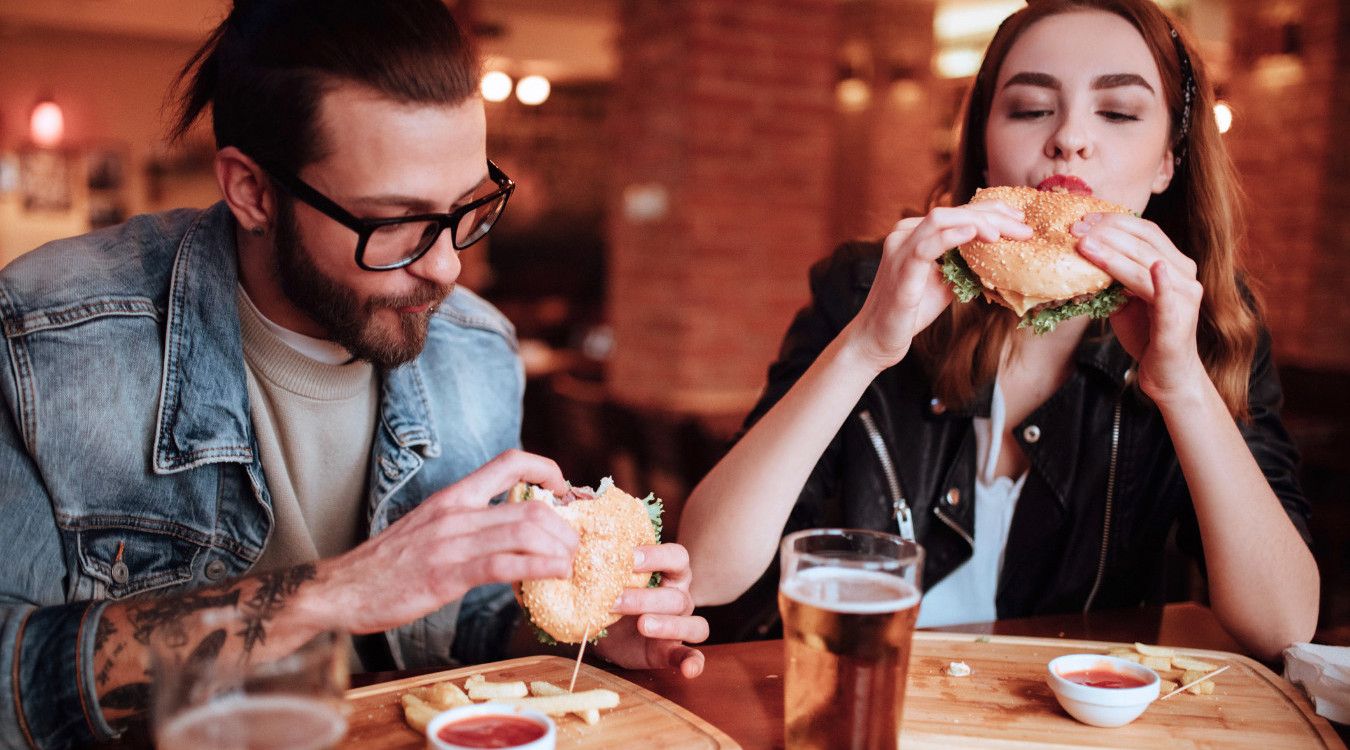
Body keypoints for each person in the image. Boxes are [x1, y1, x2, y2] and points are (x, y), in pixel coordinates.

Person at [0, 2, 706, 747]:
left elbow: (460, 622)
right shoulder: (47, 344)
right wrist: (338, 591)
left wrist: (576, 638)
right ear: (253, 192)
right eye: (393, 221)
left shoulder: (477, 351)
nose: (447, 266)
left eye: (467, 207)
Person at [680, 0, 1317, 662]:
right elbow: (709, 571)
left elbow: (1284, 626)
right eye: (1031, 108)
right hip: (851, 700)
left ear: (1168, 162)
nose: (1069, 137)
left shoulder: (1206, 318)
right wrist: (865, 347)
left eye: (1119, 113)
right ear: (984, 152)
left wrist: (1183, 386)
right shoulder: (867, 285)